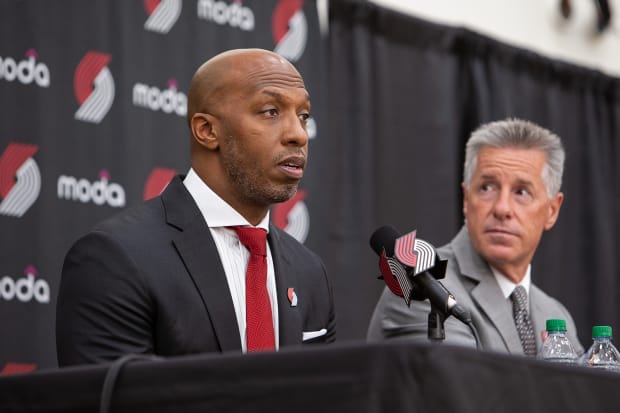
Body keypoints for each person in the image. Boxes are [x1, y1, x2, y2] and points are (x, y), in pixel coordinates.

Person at [56, 48, 336, 366]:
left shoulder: (310, 272)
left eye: (303, 116)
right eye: (271, 111)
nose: (299, 134)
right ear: (206, 130)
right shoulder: (116, 258)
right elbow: (108, 392)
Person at [367, 118, 583, 356]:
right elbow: (461, 379)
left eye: (521, 192)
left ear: (552, 210)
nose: (502, 208)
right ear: (466, 199)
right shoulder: (423, 287)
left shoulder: (556, 315)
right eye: (486, 187)